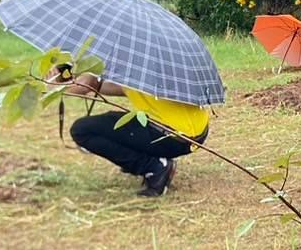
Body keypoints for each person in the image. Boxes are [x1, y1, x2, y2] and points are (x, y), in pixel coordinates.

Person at [51, 69, 209, 197]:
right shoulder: (156, 64)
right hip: (195, 135)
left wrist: (54, 86)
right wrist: (95, 85)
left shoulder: (136, 62)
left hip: (172, 137)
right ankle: (149, 160)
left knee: (82, 130)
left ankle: (155, 166)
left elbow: (84, 86)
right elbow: (122, 89)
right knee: (113, 122)